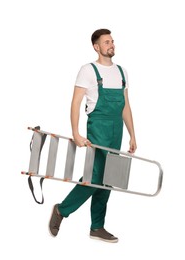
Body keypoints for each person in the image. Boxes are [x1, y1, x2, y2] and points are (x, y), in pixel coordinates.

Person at [49, 28, 137, 243]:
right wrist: (75, 132)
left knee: (110, 179)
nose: (111, 45)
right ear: (96, 47)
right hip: (98, 126)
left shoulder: (122, 72)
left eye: (112, 41)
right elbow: (76, 103)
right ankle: (62, 210)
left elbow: (125, 106)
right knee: (95, 176)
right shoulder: (88, 70)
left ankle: (97, 226)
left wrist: (133, 135)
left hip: (117, 127)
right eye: (106, 42)